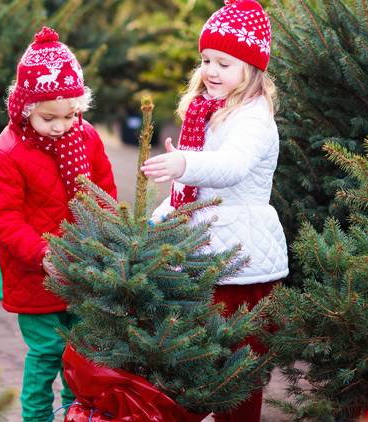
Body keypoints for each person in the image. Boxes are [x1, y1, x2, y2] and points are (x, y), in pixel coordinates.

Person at [140, 1, 287, 420]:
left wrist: (184, 162)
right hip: (205, 253)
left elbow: (231, 167)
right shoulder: (209, 110)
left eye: (224, 62)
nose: (211, 71)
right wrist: (156, 223)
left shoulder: (253, 118)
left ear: (252, 68)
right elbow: (194, 190)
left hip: (243, 262)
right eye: (206, 60)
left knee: (237, 371)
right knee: (192, 363)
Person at [0, 26, 117, 421]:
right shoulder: (4, 155)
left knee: (81, 353)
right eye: (48, 118)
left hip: (84, 270)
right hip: (36, 275)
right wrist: (43, 255)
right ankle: (36, 416)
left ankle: (77, 413)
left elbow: (102, 194)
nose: (61, 126)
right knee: (45, 353)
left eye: (70, 115)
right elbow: (2, 217)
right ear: (24, 110)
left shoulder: (86, 137)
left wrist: (108, 239)